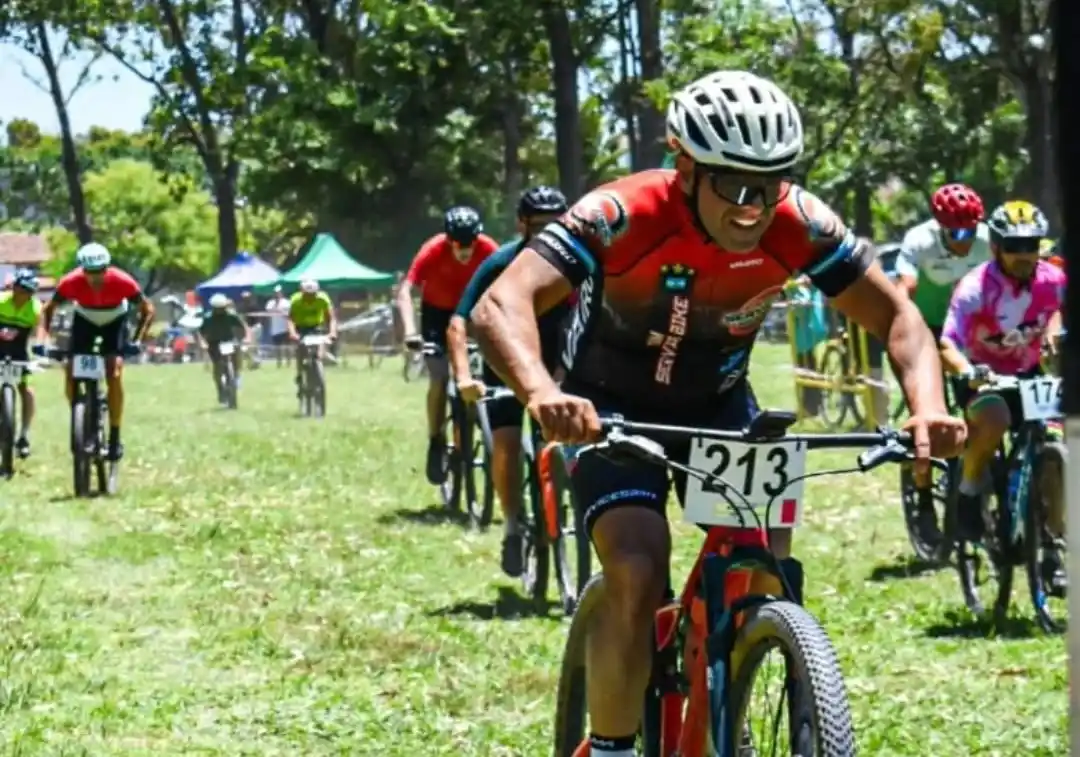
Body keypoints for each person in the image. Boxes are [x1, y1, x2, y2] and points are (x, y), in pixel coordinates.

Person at [469, 70, 966, 757]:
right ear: (685, 167)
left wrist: (928, 407)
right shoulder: (622, 212)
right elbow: (501, 301)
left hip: (722, 405)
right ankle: (614, 745)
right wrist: (541, 392)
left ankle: (721, 712)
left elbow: (899, 317)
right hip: (611, 405)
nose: (751, 207)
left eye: (768, 185)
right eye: (732, 184)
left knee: (768, 569)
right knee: (639, 569)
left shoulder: (800, 222)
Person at [448, 186, 570, 577]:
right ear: (522, 224)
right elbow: (458, 322)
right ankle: (513, 525)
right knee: (506, 443)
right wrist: (464, 377)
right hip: (504, 365)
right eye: (540, 226)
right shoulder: (500, 262)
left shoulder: (578, 263)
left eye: (557, 225)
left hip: (555, 364)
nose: (549, 234)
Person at [939, 200, 1065, 571]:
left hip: (1028, 376)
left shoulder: (1054, 280)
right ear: (995, 247)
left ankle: (1052, 548)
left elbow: (1058, 309)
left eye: (1032, 245)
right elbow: (946, 343)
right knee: (994, 419)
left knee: (1055, 453)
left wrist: (1055, 330)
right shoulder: (975, 288)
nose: (1025, 254)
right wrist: (967, 371)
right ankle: (969, 490)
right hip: (982, 377)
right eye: (1014, 246)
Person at [894, 182, 990, 528]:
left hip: (968, 332)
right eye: (956, 231)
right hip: (927, 330)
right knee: (930, 418)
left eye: (971, 229)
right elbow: (904, 290)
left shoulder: (988, 240)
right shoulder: (919, 241)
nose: (965, 239)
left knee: (981, 405)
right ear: (940, 226)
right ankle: (922, 498)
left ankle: (975, 483)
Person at [397, 206, 499, 484]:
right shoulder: (432, 249)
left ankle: (480, 426)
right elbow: (407, 290)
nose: (465, 250)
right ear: (448, 238)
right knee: (440, 378)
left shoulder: (488, 248)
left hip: (471, 312)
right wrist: (410, 332)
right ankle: (435, 439)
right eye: (458, 243)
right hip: (437, 315)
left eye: (470, 243)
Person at [42, 243, 154, 461]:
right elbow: (48, 309)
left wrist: (137, 339)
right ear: (82, 270)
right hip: (85, 319)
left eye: (100, 271)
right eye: (90, 273)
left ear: (107, 267)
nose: (95, 278)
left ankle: (114, 435)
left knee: (114, 373)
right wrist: (44, 339)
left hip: (115, 320)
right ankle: (80, 415)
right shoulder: (70, 281)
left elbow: (147, 310)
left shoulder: (122, 281)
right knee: (71, 369)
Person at [0, 269, 45, 457]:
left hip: (19, 351)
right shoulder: (2, 301)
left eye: (28, 292)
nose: (23, 295)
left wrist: (41, 346)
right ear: (14, 288)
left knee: (26, 390)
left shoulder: (35, 308)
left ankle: (24, 435)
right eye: (20, 290)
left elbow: (41, 329)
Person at [198, 293, 252, 401]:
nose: (220, 311)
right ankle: (220, 388)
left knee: (236, 359)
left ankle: (235, 377)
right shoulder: (208, 318)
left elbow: (244, 326)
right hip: (214, 343)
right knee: (218, 367)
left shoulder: (231, 315)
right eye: (218, 309)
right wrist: (203, 343)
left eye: (222, 308)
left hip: (229, 341)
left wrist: (247, 337)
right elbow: (200, 332)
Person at [287, 279, 338, 391]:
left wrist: (332, 332)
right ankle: (300, 373)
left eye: (313, 294)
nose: (310, 297)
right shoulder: (296, 300)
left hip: (316, 326)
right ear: (302, 292)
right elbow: (290, 319)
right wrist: (292, 333)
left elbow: (331, 318)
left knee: (320, 347)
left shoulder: (323, 298)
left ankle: (319, 367)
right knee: (301, 349)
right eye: (307, 295)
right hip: (300, 327)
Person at [265, 285, 291, 366]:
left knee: (287, 347)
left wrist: (281, 312)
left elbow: (289, 314)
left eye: (278, 293)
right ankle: (279, 363)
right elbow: (268, 312)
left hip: (285, 328)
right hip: (275, 329)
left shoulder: (286, 302)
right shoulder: (270, 303)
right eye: (275, 293)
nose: (277, 294)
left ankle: (288, 362)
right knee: (277, 348)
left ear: (281, 293)